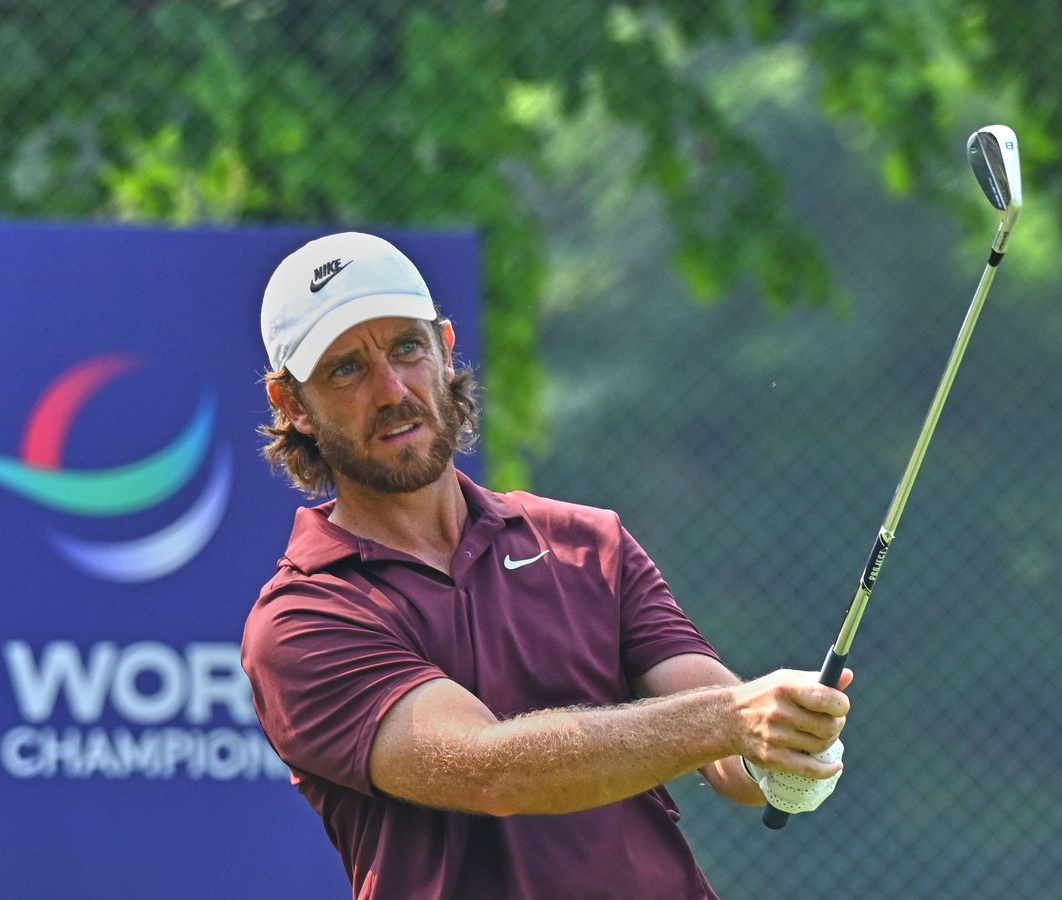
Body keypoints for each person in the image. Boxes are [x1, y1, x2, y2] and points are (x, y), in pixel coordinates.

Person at [241, 231, 851, 899]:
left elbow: (730, 757)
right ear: (292, 405)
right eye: (346, 370)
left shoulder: (590, 543)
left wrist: (791, 747)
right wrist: (731, 717)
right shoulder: (304, 619)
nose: (391, 389)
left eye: (406, 348)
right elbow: (491, 772)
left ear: (445, 351)